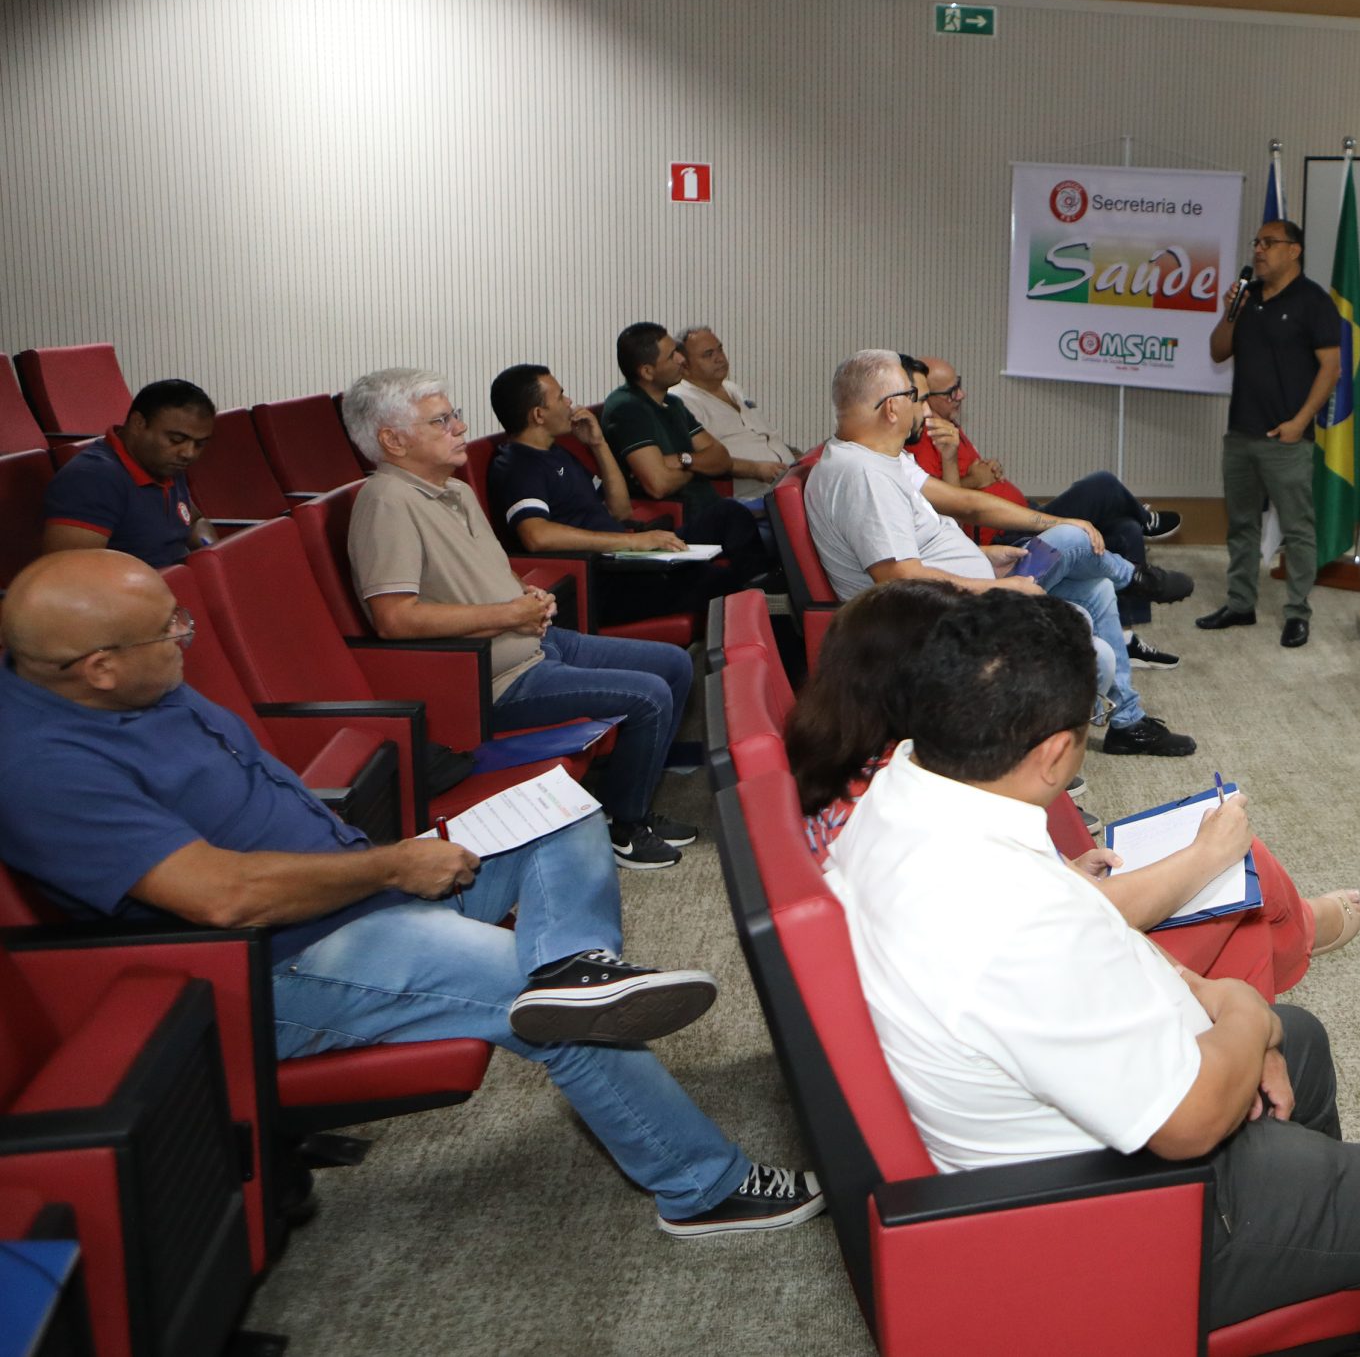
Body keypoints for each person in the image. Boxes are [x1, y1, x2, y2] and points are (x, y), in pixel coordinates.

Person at [0, 549, 824, 1239]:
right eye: (169, 629)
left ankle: (578, 965)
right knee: (523, 987)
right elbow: (223, 897)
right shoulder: (41, 766)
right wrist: (391, 868)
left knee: (560, 807)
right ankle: (700, 1187)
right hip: (276, 960)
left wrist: (385, 866)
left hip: (355, 885)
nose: (187, 636)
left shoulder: (131, 682)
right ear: (99, 667)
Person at [828, 589, 1360, 1351]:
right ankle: (1305, 1243)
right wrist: (1247, 1012)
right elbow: (1193, 1121)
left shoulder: (900, 788)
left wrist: (1208, 995)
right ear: (1054, 753)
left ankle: (1317, 1270)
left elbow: (1089, 933)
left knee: (1302, 1043)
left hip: (1037, 1125)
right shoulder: (1017, 913)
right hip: (1106, 1209)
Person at [787, 581, 1360, 997]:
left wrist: (1061, 865)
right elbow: (1075, 921)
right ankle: (1298, 937)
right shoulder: (918, 797)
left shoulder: (870, 769)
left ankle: (1273, 981)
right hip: (1042, 986)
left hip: (988, 966)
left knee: (1237, 908)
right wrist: (1205, 856)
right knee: (1240, 881)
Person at [340, 367, 698, 871]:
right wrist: (508, 612)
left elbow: (481, 572)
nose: (460, 428)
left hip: (533, 640)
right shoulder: (386, 503)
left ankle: (630, 800)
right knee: (649, 694)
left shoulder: (455, 490)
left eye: (455, 416)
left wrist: (522, 594)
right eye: (441, 421)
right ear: (392, 440)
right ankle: (626, 827)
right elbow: (394, 619)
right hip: (493, 679)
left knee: (674, 665)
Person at [805, 349, 1195, 759]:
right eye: (914, 397)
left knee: (1093, 590)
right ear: (891, 408)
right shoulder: (865, 476)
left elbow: (957, 509)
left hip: (958, 597)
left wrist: (985, 555)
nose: (922, 408)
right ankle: (1016, 766)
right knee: (1088, 643)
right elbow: (901, 578)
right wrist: (999, 588)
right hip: (931, 626)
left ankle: (1125, 721)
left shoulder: (880, 460)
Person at [912, 353, 1185, 669]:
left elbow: (969, 478)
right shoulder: (919, 441)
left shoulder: (948, 426)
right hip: (1008, 535)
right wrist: (973, 475)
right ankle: (1144, 524)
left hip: (1023, 510)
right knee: (1103, 484)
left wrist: (982, 470)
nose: (961, 395)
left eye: (959, 385)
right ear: (924, 400)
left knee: (1126, 530)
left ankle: (1126, 639)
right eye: (950, 392)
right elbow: (951, 509)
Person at [484, 364, 739, 633]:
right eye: (560, 397)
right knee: (721, 582)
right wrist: (633, 542)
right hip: (602, 580)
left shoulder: (557, 453)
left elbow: (620, 509)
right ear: (538, 414)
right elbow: (537, 536)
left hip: (627, 560)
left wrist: (598, 444)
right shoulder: (518, 465)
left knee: (728, 514)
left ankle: (772, 593)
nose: (569, 402)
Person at [1201, 217, 1341, 650]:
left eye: (1269, 242)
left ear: (1294, 250)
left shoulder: (1314, 302)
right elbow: (1218, 350)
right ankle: (1240, 603)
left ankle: (1297, 612)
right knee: (1241, 524)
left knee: (1298, 528)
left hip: (1287, 437)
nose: (1259, 250)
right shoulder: (1250, 297)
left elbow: (1331, 368)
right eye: (1256, 242)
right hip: (1241, 433)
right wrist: (1232, 311)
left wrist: (1301, 422)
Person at [597, 322, 776, 585]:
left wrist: (682, 461)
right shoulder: (627, 408)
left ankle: (764, 593)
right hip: (679, 519)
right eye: (672, 355)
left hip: (707, 508)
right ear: (647, 371)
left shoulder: (673, 403)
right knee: (735, 516)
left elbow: (721, 457)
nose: (682, 359)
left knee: (774, 521)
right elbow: (658, 484)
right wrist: (695, 466)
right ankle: (762, 596)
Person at [39, 378, 221, 567]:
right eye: (176, 439)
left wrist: (213, 555)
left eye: (199, 444)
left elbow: (193, 522)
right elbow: (70, 576)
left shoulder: (165, 463)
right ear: (138, 423)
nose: (189, 453)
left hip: (177, 585)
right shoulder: (91, 479)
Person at [670, 326, 798, 502]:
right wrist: (756, 469)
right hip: (747, 497)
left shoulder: (732, 388)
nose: (719, 358)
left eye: (720, 349)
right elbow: (700, 459)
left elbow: (761, 437)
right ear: (684, 365)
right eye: (708, 354)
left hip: (785, 483)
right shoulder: (681, 400)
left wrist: (797, 459)